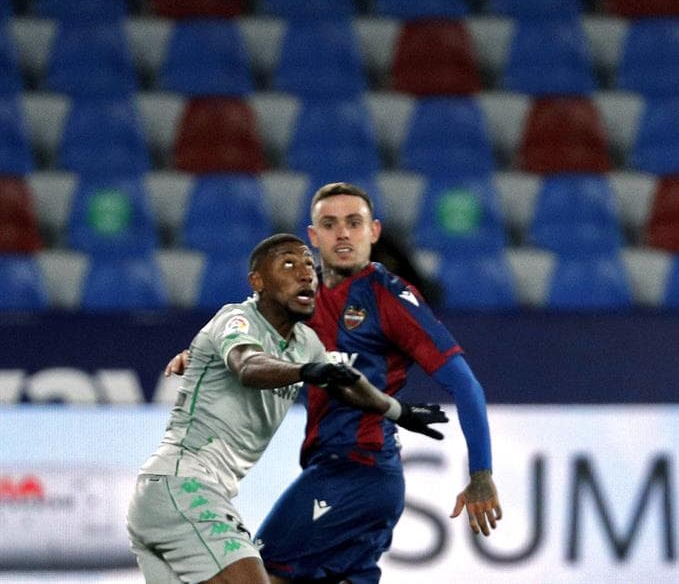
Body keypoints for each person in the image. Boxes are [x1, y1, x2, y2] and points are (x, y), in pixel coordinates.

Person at [167, 183, 502, 583]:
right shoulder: (300, 297)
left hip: (358, 470)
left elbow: (466, 385)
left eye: (354, 223)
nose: (343, 234)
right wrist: (203, 354)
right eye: (330, 224)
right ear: (313, 236)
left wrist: (481, 474)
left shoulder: (389, 299)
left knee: (251, 575)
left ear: (373, 232)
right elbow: (248, 338)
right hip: (344, 471)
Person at [128, 232, 448, 584]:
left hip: (176, 497)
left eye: (309, 264)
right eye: (289, 264)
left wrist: (398, 411)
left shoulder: (306, 342)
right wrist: (305, 371)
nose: (305, 273)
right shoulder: (237, 319)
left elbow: (344, 382)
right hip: (182, 486)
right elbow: (247, 366)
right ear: (258, 282)